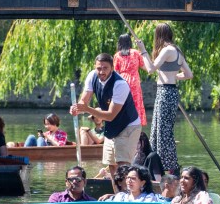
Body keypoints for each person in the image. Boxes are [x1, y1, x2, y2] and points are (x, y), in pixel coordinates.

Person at [71, 53, 143, 180]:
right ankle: (117, 196)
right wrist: (78, 108)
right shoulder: (92, 76)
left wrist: (87, 109)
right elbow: (84, 101)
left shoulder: (120, 84)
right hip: (111, 127)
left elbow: (110, 116)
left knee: (123, 166)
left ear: (112, 68)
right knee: (112, 165)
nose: (101, 72)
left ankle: (127, 196)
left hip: (128, 126)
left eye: (105, 68)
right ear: (95, 67)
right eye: (99, 68)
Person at [136, 23, 193, 176]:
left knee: (162, 132)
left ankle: (168, 166)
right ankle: (157, 164)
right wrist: (174, 76)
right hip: (170, 92)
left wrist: (143, 51)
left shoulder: (167, 50)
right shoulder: (177, 51)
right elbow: (189, 75)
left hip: (165, 93)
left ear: (159, 35)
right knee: (158, 130)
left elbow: (150, 69)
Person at [114, 34, 147, 127]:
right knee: (136, 102)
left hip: (122, 80)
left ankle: (124, 123)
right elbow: (145, 67)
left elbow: (116, 72)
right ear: (130, 42)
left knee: (123, 103)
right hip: (134, 80)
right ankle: (137, 123)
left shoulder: (117, 55)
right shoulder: (136, 53)